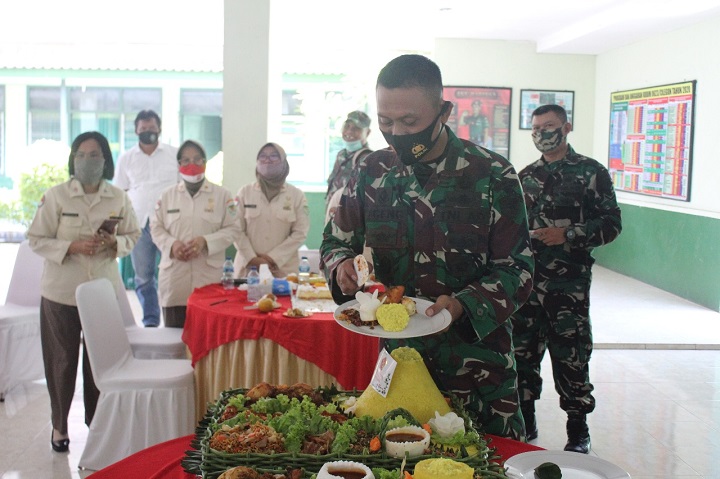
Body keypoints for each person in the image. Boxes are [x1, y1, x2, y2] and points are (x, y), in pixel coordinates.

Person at [320, 54, 534, 440]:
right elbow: (335, 241)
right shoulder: (370, 172)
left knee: (483, 461)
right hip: (400, 363)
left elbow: (517, 269)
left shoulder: (491, 174)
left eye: (410, 122)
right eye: (386, 122)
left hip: (477, 367)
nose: (397, 133)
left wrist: (463, 303)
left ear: (443, 111)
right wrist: (340, 268)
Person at [511, 104, 622, 453]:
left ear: (566, 127)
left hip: (568, 286)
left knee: (571, 356)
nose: (542, 133)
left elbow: (612, 224)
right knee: (522, 353)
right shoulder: (524, 176)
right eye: (536, 127)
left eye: (549, 126)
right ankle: (526, 420)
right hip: (527, 284)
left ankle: (578, 430)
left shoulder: (591, 172)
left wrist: (569, 234)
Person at [27, 131, 140, 453]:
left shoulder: (118, 196)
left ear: (105, 160)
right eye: (81, 154)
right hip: (61, 292)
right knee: (61, 361)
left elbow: (133, 234)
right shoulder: (57, 196)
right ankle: (59, 425)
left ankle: (98, 424)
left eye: (94, 155)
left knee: (98, 363)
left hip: (102, 294)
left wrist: (114, 243)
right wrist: (71, 246)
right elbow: (36, 238)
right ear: (72, 159)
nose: (87, 161)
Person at [150, 140, 241, 327]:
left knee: (209, 342)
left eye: (197, 159)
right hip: (175, 282)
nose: (192, 165)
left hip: (208, 282)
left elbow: (233, 228)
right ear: (178, 166)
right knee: (174, 343)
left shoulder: (222, 195)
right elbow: (156, 227)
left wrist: (205, 241)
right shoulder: (167, 196)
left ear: (205, 163)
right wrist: (171, 245)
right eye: (185, 160)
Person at [115, 110, 179, 327]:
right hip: (139, 225)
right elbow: (120, 192)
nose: (148, 132)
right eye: (143, 129)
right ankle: (151, 321)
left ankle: (175, 321)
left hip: (170, 225)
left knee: (173, 274)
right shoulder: (126, 158)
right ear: (136, 131)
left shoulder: (174, 154)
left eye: (151, 128)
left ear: (159, 129)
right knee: (143, 277)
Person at [233, 142, 310, 278]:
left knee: (282, 300)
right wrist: (252, 258)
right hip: (248, 270)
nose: (267, 160)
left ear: (284, 163)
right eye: (262, 156)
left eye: (274, 156)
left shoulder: (296, 195)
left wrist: (272, 259)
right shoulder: (244, 193)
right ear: (257, 163)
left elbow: (300, 233)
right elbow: (236, 229)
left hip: (282, 270)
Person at [325, 110, 373, 214]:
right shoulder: (341, 155)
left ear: (367, 132)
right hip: (333, 217)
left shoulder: (368, 159)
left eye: (356, 129)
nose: (349, 132)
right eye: (347, 127)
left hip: (350, 222)